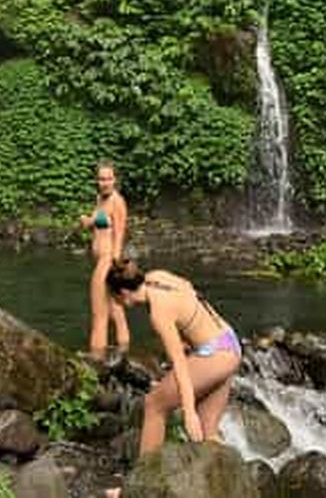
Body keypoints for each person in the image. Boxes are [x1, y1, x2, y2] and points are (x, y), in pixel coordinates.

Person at [106, 259, 241, 461]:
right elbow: (188, 287)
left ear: (124, 295)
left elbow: (179, 365)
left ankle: (142, 485)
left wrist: (188, 412)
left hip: (215, 354)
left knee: (153, 405)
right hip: (230, 342)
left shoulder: (159, 314)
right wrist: (190, 331)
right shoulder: (157, 276)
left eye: (113, 298)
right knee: (207, 434)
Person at [79, 161, 130, 359]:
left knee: (98, 314)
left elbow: (119, 234)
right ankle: (124, 351)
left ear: (115, 179)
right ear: (96, 180)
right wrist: (88, 221)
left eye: (109, 178)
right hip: (101, 258)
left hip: (107, 260)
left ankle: (95, 358)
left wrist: (114, 266)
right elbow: (98, 221)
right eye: (101, 178)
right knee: (115, 310)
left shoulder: (118, 201)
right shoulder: (100, 199)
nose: (105, 182)